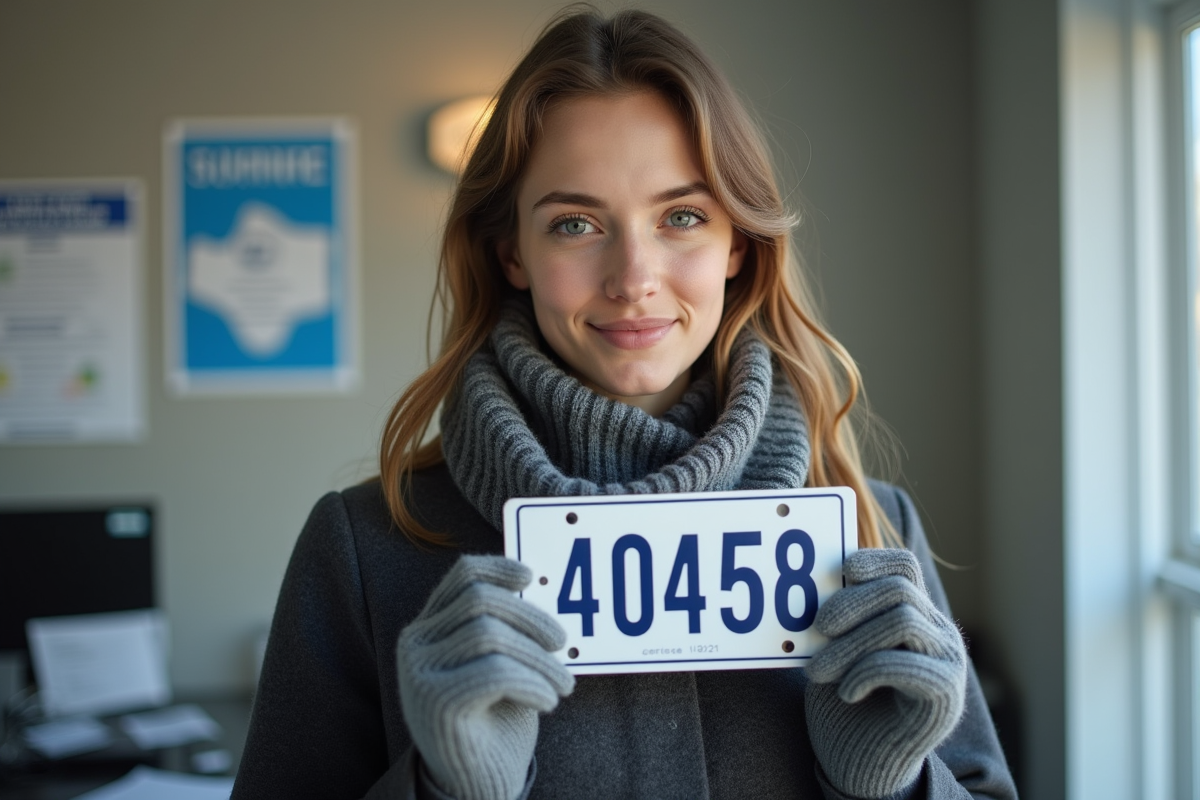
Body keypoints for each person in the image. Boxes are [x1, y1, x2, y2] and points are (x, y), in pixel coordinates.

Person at [231, 8, 1017, 800]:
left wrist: (893, 784)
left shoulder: (871, 530)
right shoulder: (366, 550)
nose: (634, 276)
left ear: (736, 243)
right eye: (575, 223)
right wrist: (439, 788)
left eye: (683, 216)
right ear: (513, 253)